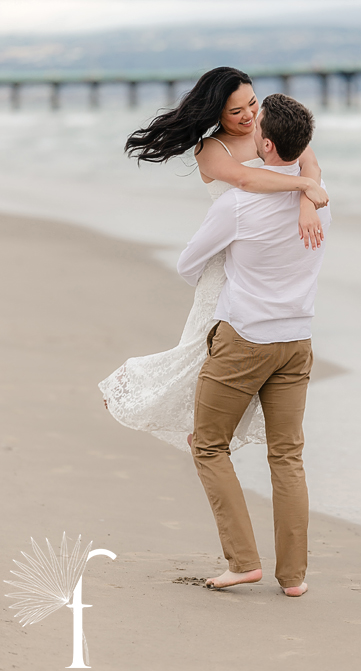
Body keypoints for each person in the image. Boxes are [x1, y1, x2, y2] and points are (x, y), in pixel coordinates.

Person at [99, 67, 330, 451]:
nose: (249, 115)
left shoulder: (270, 130)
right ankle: (161, 405)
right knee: (205, 348)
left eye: (252, 103)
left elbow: (312, 165)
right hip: (226, 258)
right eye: (235, 110)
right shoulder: (211, 150)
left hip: (266, 255)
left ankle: (213, 428)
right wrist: (304, 186)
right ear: (216, 113)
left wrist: (308, 203)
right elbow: (246, 181)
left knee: (253, 348)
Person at [176, 93, 328, 597]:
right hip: (297, 339)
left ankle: (243, 561)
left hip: (244, 339)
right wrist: (305, 184)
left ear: (263, 142)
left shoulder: (238, 204)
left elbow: (188, 263)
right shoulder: (321, 198)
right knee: (287, 457)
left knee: (208, 446)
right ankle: (295, 577)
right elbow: (308, 174)